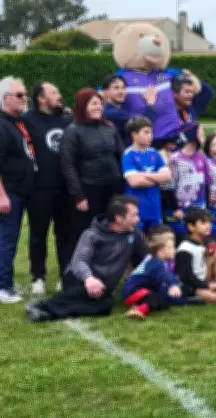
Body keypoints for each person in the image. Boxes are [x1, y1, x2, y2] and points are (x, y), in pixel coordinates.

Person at [25, 196, 148, 320]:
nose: (138, 219)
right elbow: (79, 261)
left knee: (106, 305)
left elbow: (144, 259)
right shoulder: (91, 234)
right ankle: (46, 309)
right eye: (134, 215)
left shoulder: (135, 235)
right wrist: (89, 278)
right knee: (84, 294)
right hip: (79, 277)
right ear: (118, 218)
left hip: (103, 287)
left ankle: (45, 309)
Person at [22, 81, 73, 295]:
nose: (59, 95)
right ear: (41, 98)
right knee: (38, 234)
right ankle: (38, 277)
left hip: (65, 187)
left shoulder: (67, 118)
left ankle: (65, 275)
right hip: (39, 188)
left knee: (65, 234)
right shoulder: (26, 120)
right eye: (54, 92)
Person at [60, 87, 125, 258]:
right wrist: (78, 195)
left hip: (111, 189)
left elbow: (121, 155)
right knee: (84, 234)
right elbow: (68, 165)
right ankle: (76, 273)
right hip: (88, 190)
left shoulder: (109, 128)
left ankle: (104, 270)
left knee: (109, 230)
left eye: (100, 104)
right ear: (83, 106)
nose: (98, 107)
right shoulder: (73, 130)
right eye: (93, 103)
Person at [0, 76, 35, 303]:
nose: (25, 99)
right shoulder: (2, 125)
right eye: (20, 95)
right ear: (5, 99)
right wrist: (1, 195)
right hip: (9, 191)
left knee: (10, 238)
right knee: (7, 239)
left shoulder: (16, 122)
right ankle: (4, 287)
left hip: (20, 190)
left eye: (25, 95)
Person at [121, 226, 183, 320]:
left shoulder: (155, 260)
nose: (174, 249)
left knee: (163, 303)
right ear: (161, 252)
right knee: (157, 298)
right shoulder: (156, 263)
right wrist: (173, 285)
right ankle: (139, 310)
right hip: (133, 291)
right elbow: (165, 275)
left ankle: (137, 304)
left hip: (137, 291)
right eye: (171, 247)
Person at [122, 117, 172, 233]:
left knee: (156, 242)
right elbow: (134, 182)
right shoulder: (128, 154)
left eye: (151, 132)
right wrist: (157, 177)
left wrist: (143, 175)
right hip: (136, 210)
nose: (151, 136)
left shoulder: (154, 153)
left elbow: (167, 177)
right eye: (146, 132)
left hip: (154, 208)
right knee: (138, 244)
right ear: (134, 135)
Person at [174, 208, 216, 304]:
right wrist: (208, 286)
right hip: (190, 285)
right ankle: (191, 298)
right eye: (203, 223)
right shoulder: (185, 248)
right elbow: (187, 277)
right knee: (213, 297)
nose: (208, 225)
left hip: (203, 280)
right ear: (191, 227)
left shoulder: (204, 242)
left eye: (209, 222)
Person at [101, 75, 157, 147]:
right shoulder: (111, 113)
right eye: (116, 88)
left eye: (123, 88)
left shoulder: (119, 109)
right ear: (105, 92)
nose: (121, 91)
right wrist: (150, 102)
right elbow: (144, 124)